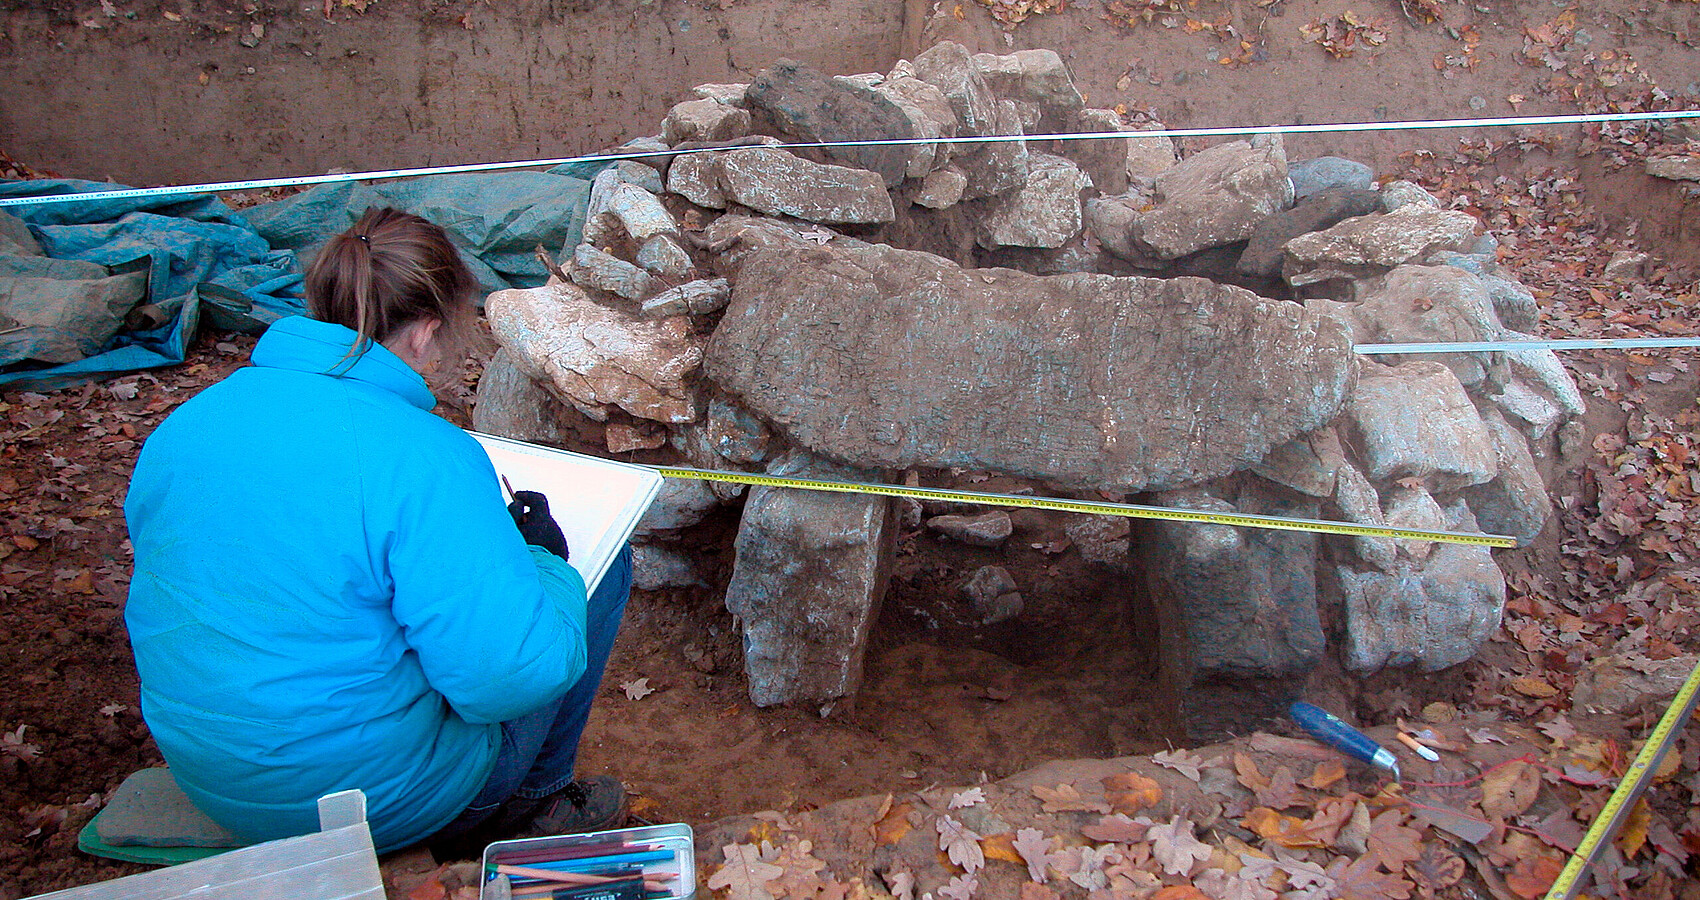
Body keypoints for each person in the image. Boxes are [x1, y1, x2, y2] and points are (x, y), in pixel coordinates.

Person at [123, 206, 632, 855]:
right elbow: (511, 676)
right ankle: (531, 804)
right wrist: (544, 562)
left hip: (214, 778)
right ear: (423, 332)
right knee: (598, 571)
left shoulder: (186, 425)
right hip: (364, 805)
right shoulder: (422, 455)